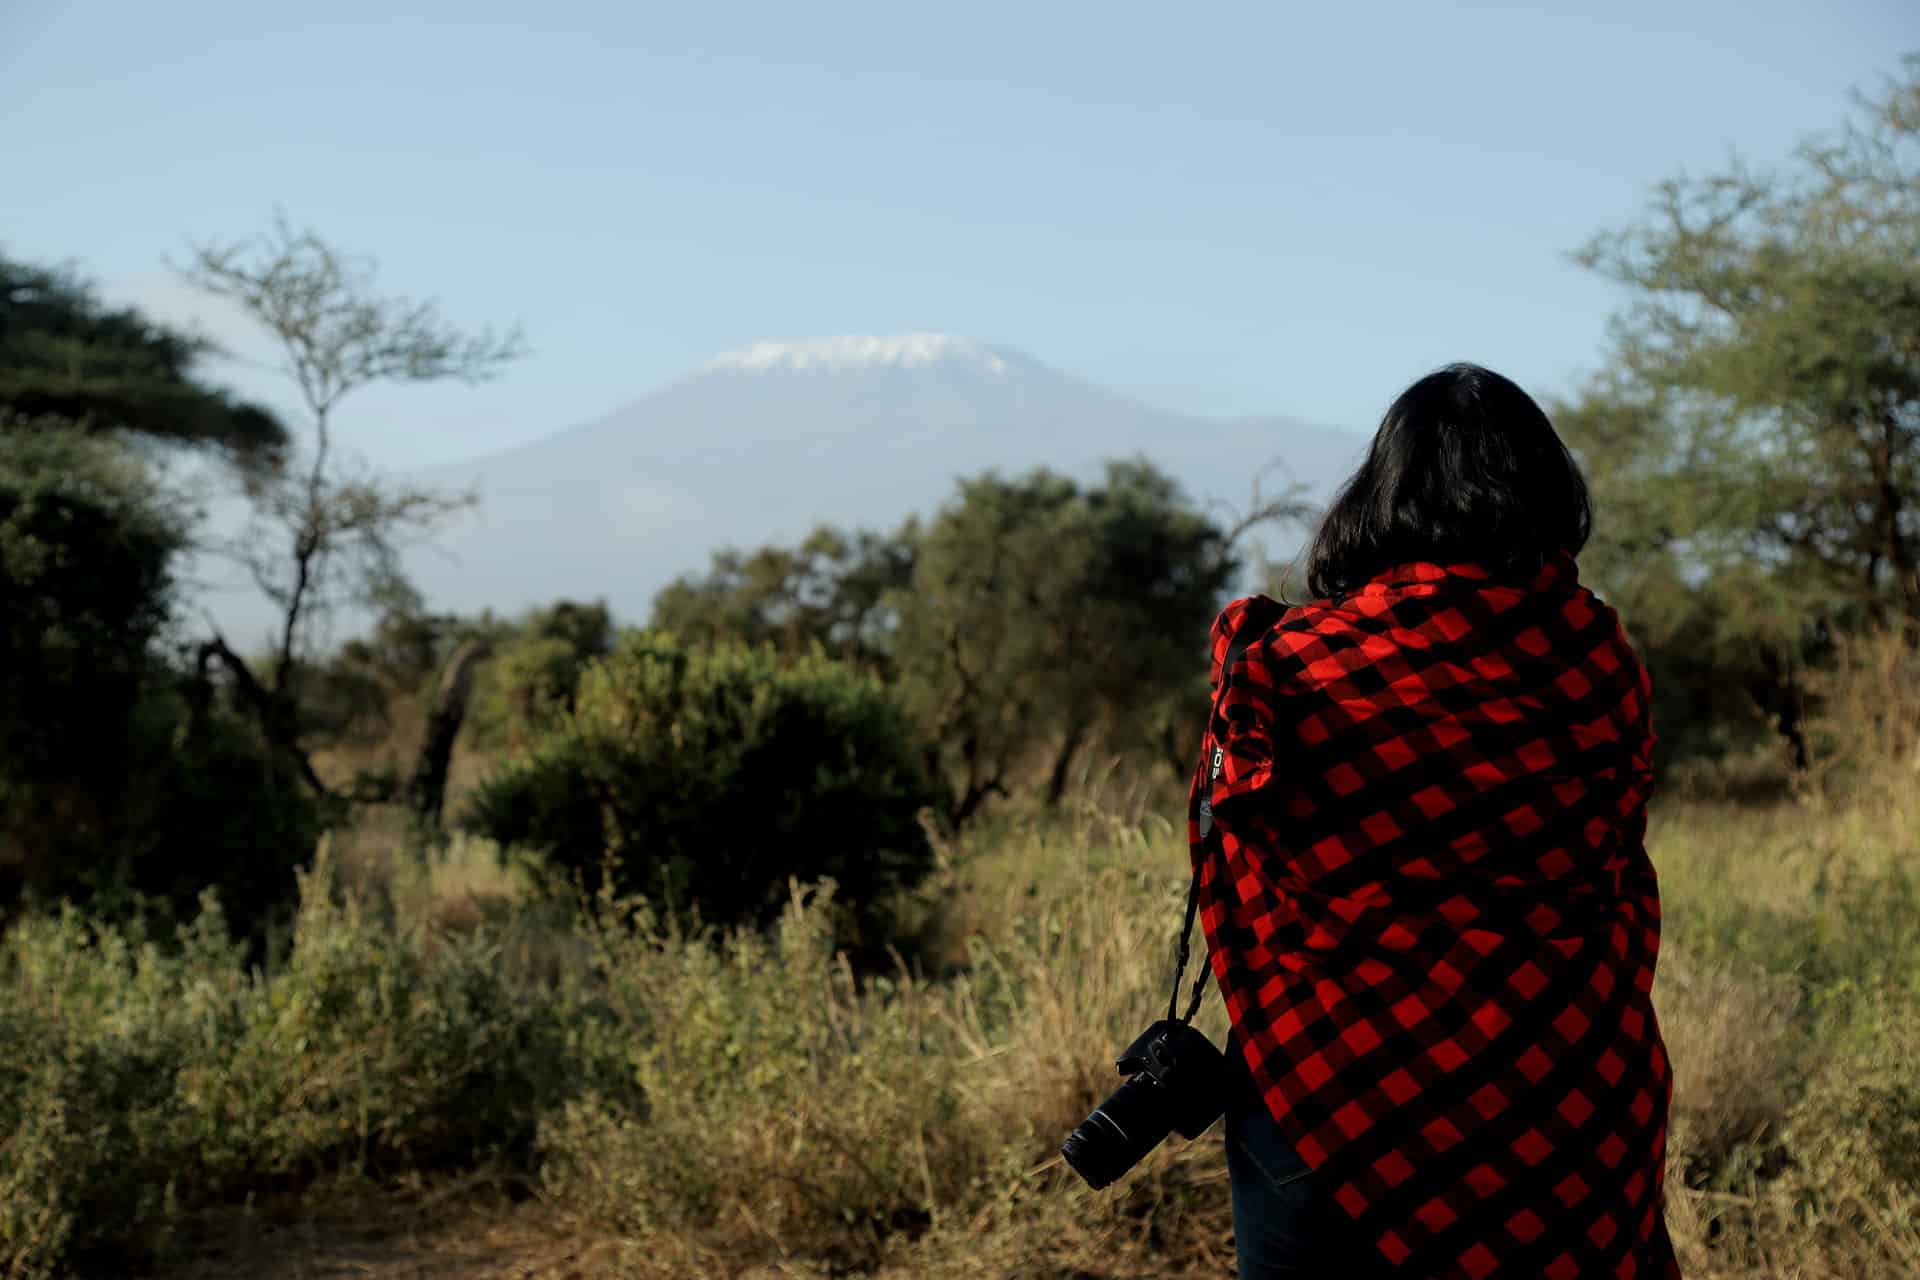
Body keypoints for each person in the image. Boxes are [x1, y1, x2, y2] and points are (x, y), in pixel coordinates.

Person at [1190, 363, 1679, 1278]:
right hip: (1565, 1097)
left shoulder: (1287, 667)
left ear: (1379, 495)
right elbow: (1615, 859)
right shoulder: (1593, 658)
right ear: (1546, 491)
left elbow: (1244, 870)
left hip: (1329, 1094)